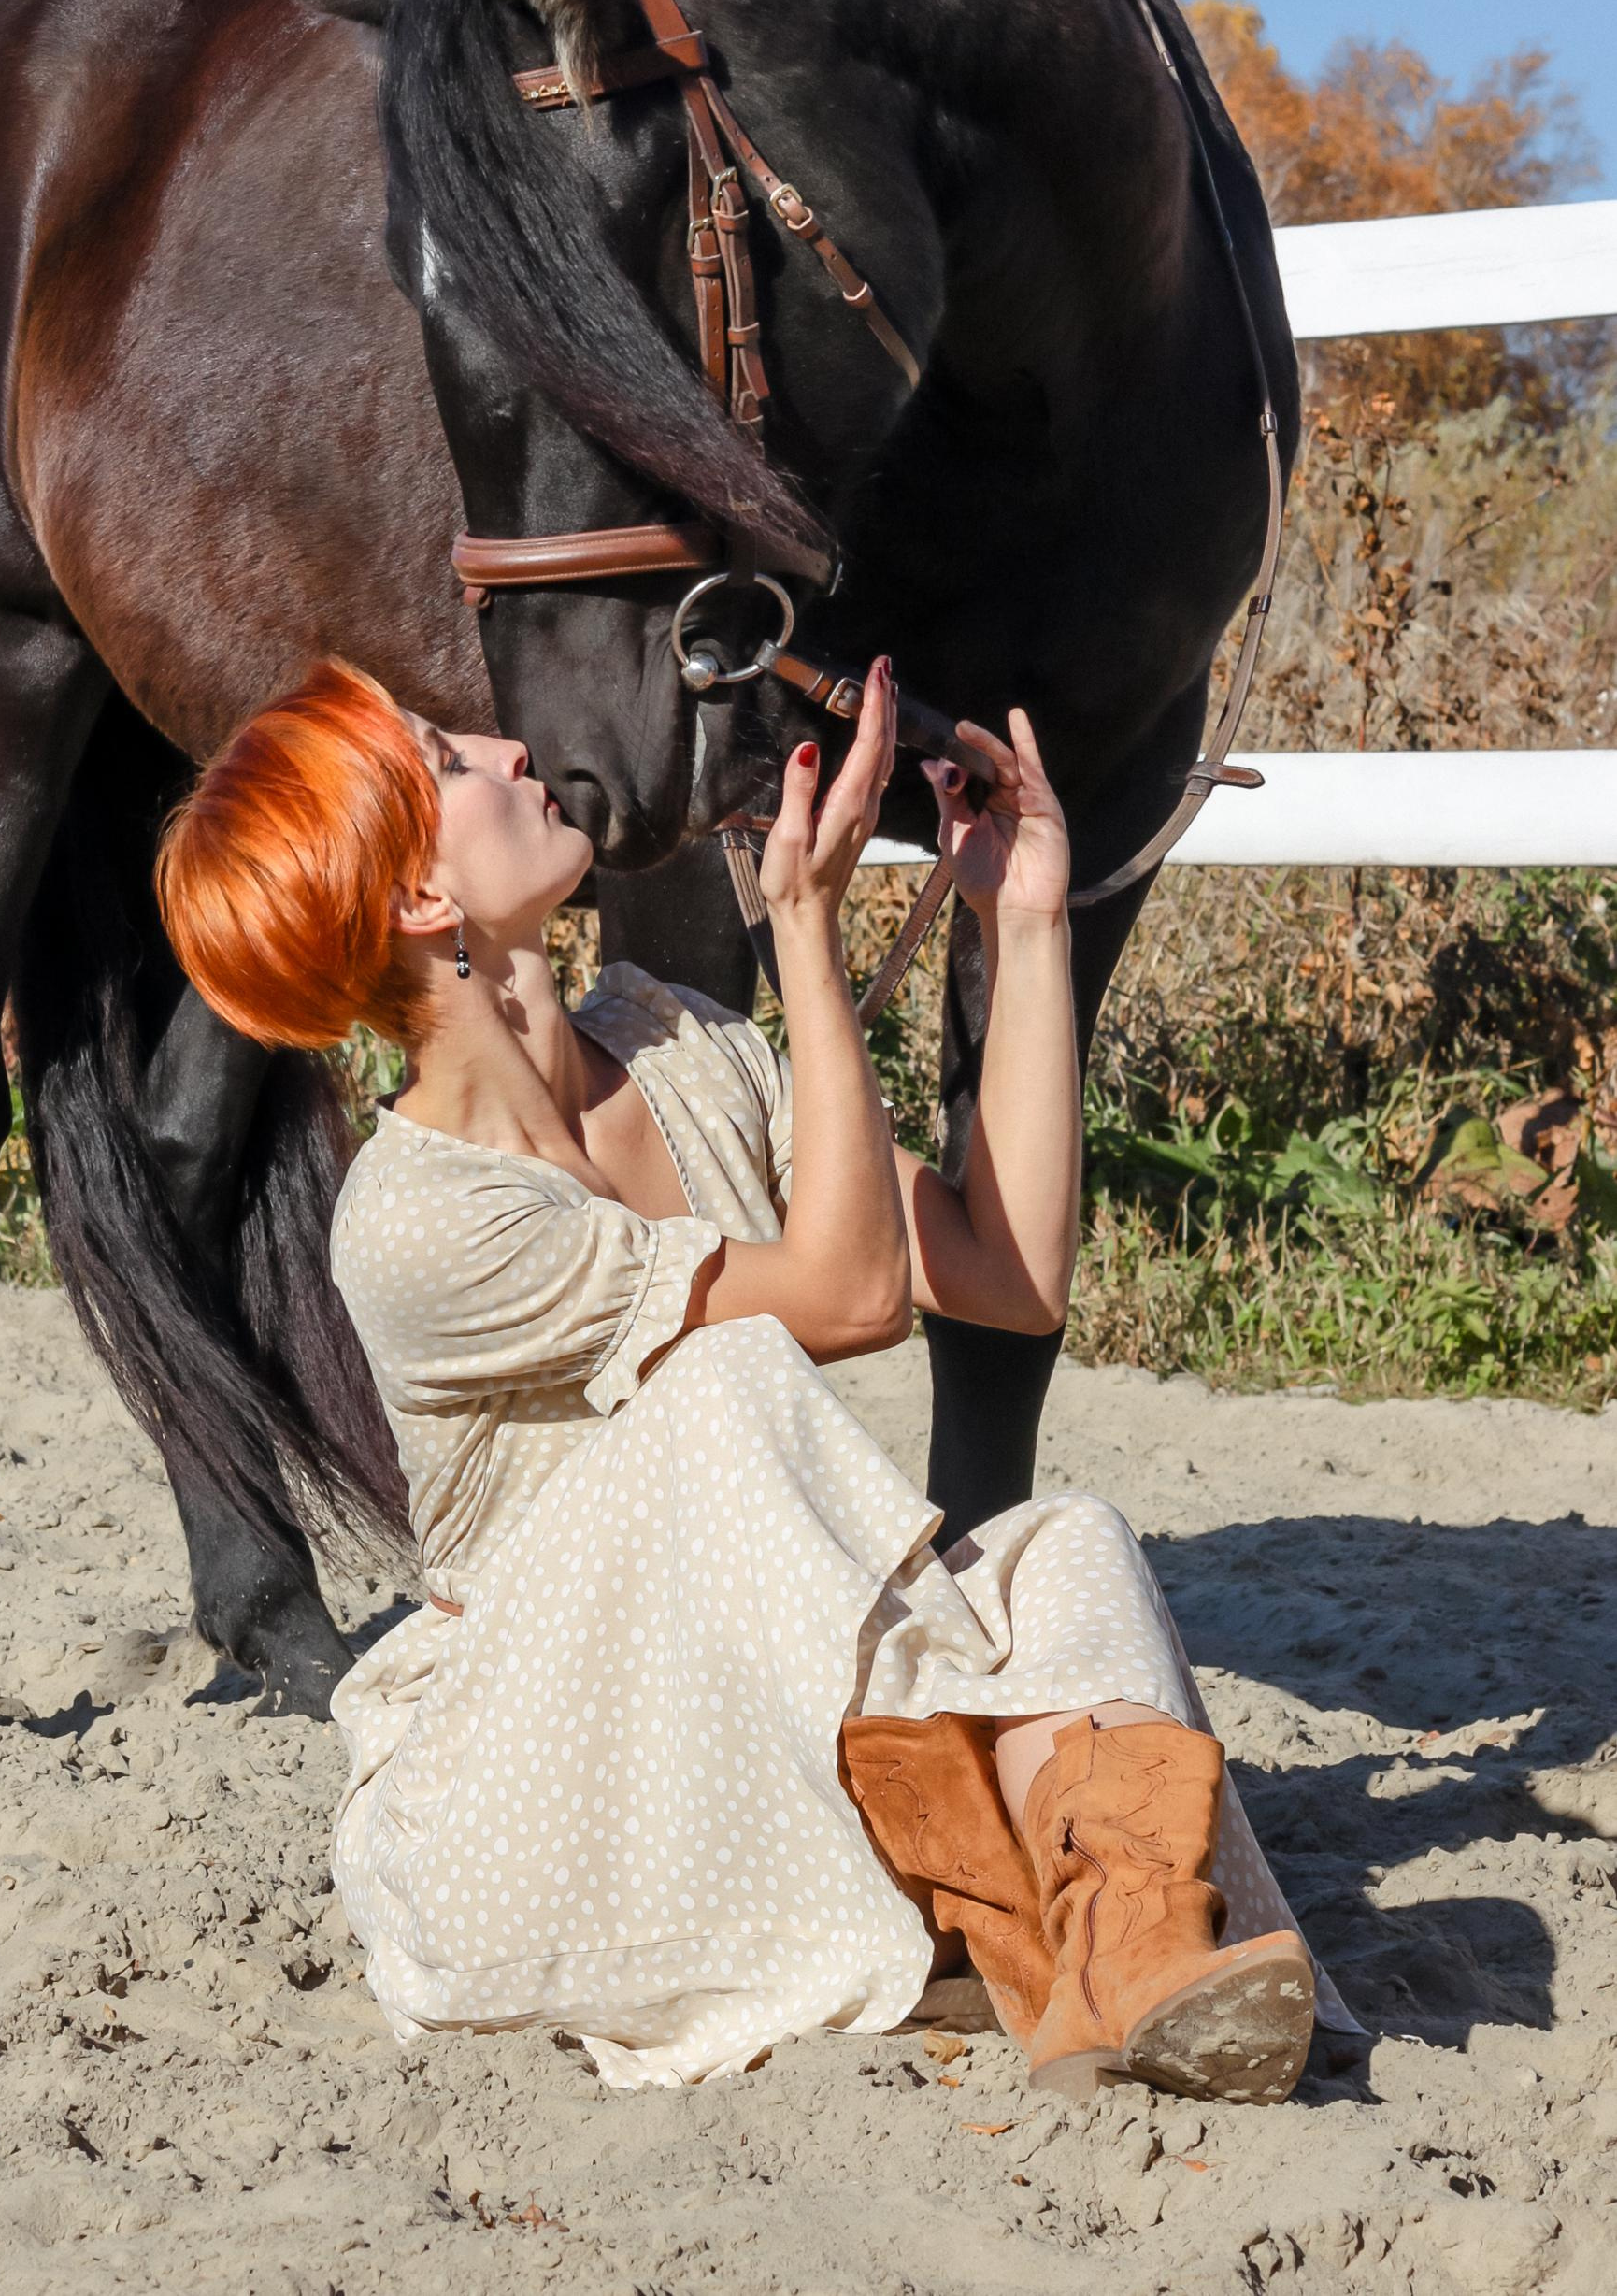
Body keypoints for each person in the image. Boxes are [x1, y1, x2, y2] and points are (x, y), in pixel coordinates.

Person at [159, 655, 1351, 2097]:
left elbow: (1005, 1277)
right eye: (451, 761)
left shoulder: (678, 1050)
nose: (508, 746)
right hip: (549, 1798)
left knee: (1065, 1543)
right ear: (419, 900)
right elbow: (848, 1297)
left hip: (767, 1739)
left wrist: (1024, 923)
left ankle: (1122, 1941)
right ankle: (1020, 1882)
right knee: (717, 1385)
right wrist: (804, 934)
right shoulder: (420, 1220)